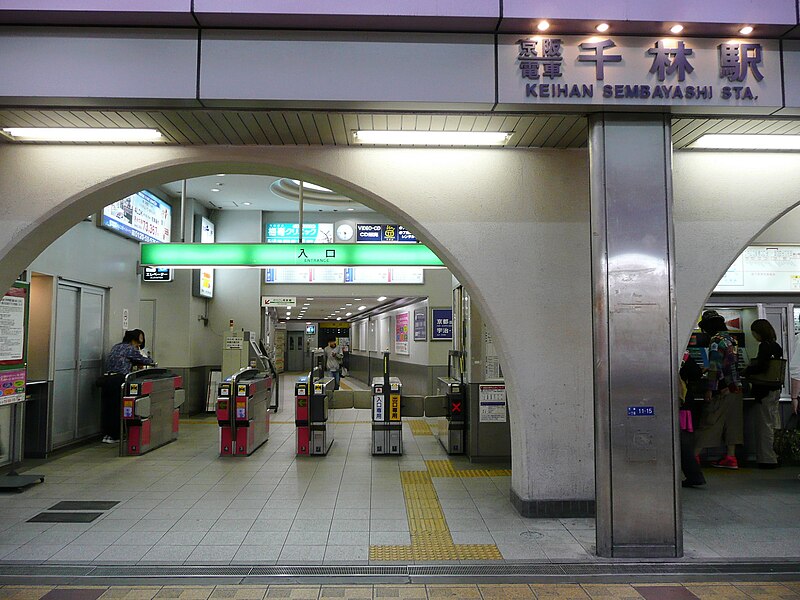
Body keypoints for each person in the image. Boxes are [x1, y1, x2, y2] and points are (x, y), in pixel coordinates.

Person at [693, 310, 744, 469]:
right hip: (736, 388)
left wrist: (710, 389)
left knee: (709, 421)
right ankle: (731, 457)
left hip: (722, 388)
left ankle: (693, 456)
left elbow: (715, 366)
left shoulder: (716, 340)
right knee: (732, 423)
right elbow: (733, 364)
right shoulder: (731, 339)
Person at [99, 330, 155, 444]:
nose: (140, 343)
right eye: (139, 340)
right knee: (118, 408)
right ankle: (116, 435)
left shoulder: (117, 346)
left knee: (108, 408)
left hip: (107, 379)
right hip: (119, 380)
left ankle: (107, 434)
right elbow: (147, 361)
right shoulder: (130, 349)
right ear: (135, 339)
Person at [743, 319, 783, 469]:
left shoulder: (764, 347)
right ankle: (774, 455)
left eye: (754, 333)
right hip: (775, 389)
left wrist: (747, 370)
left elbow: (762, 367)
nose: (754, 336)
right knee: (773, 423)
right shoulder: (776, 346)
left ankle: (767, 458)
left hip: (764, 391)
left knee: (764, 425)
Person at [679, 352, 706, 487]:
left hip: (674, 403)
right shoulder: (684, 356)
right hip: (684, 403)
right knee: (684, 443)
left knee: (683, 444)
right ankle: (694, 475)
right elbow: (696, 373)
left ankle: (694, 475)